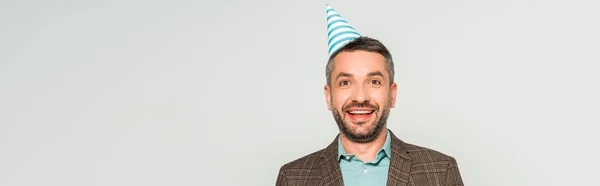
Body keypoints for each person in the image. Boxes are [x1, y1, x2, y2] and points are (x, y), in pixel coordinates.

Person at [275, 4, 464, 186]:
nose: (360, 97)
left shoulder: (441, 171)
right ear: (329, 96)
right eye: (345, 83)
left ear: (392, 94)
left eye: (374, 82)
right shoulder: (293, 178)